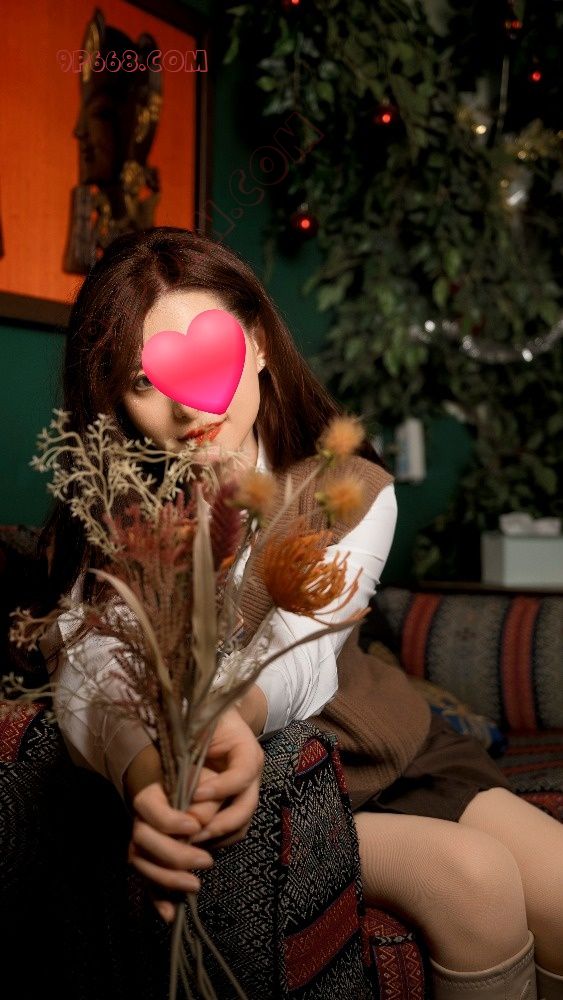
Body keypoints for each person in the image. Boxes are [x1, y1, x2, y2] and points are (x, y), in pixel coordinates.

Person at [35, 227, 563, 1000]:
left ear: (253, 346)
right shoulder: (115, 525)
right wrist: (149, 770)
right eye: (144, 381)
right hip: (283, 791)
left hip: (392, 748)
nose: (188, 402)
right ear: (113, 398)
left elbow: (305, 651)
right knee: (474, 882)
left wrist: (235, 711)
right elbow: (89, 667)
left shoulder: (344, 489)